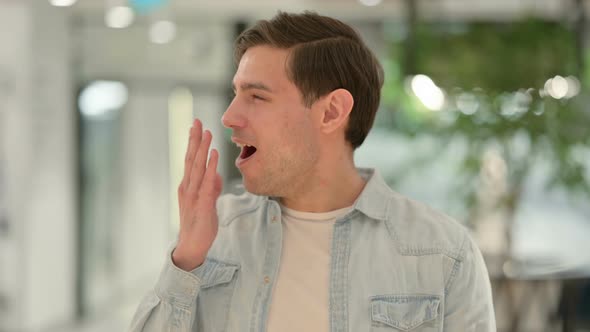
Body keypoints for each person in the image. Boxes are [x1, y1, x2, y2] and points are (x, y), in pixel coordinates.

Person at [129, 11, 495, 332]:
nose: (229, 117)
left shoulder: (443, 253)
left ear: (332, 112)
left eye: (257, 97)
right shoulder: (215, 234)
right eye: (235, 93)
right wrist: (187, 260)